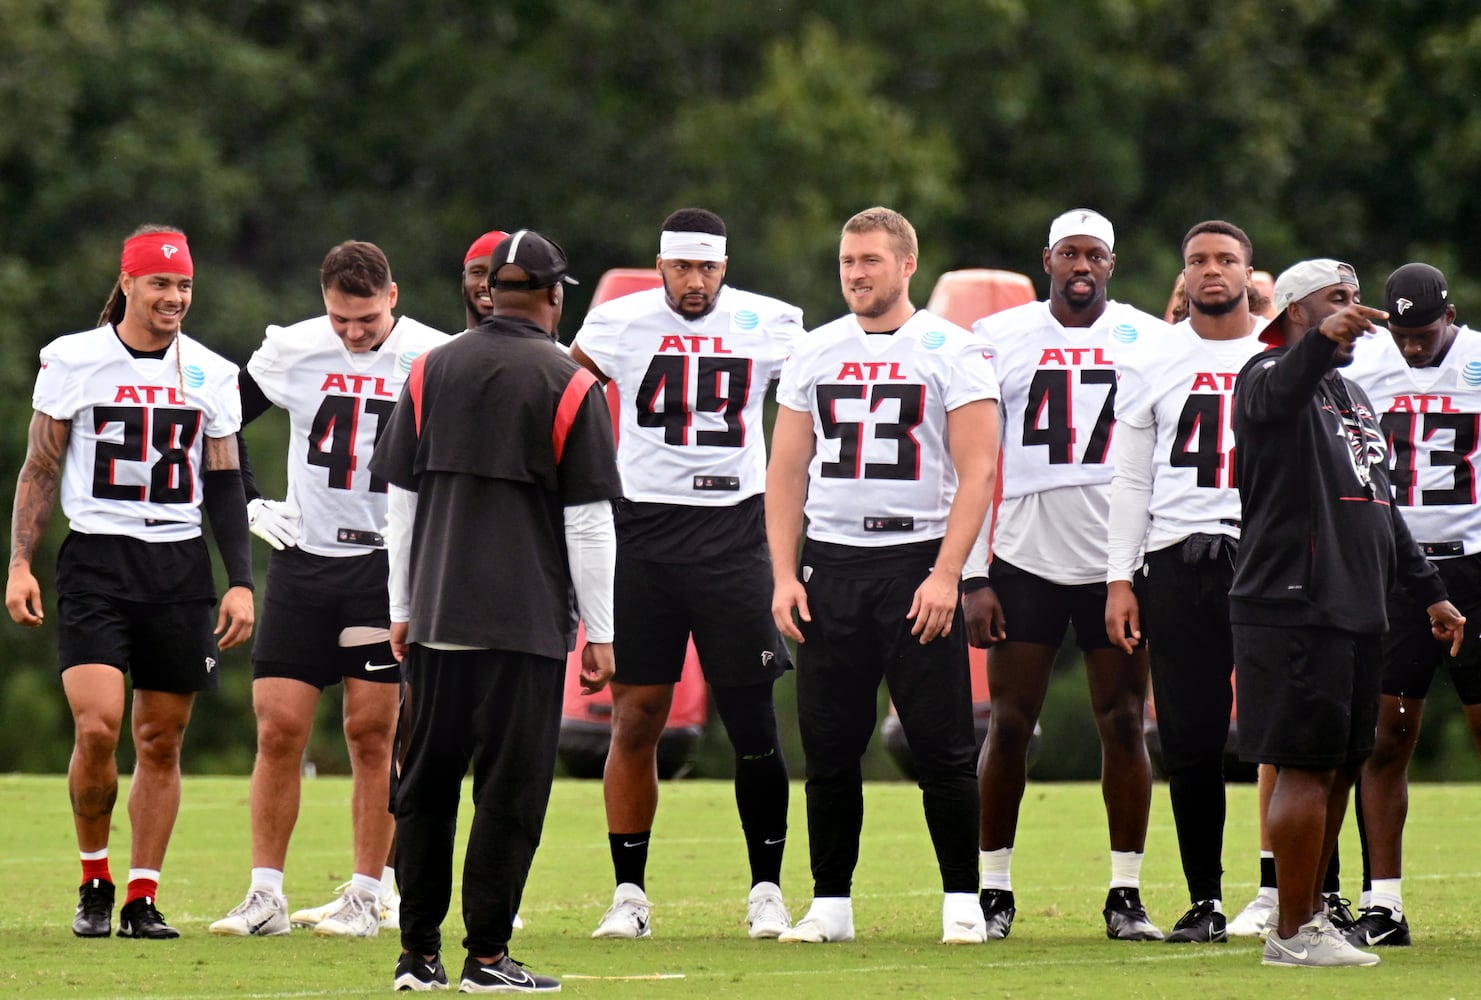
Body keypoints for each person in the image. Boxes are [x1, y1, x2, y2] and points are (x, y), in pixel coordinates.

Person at [369, 230, 623, 991]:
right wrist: (603, 631)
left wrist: (402, 606)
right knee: (507, 796)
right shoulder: (571, 384)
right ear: (554, 295)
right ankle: (486, 956)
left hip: (439, 620)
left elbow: (401, 506)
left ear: (490, 292)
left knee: (425, 789)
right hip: (525, 627)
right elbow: (587, 522)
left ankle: (416, 954)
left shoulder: (428, 370)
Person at [6, 225, 255, 938]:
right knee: (97, 725)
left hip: (177, 564)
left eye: (183, 286)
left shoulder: (210, 372)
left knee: (161, 738)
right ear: (127, 283)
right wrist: (20, 562)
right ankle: (94, 878)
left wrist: (238, 580)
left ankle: (142, 895)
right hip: (97, 560)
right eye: (160, 284)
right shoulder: (74, 360)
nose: (173, 297)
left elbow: (226, 482)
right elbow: (41, 467)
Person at [767, 206, 998, 945]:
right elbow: (785, 470)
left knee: (940, 746)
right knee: (829, 746)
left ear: (906, 265)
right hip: (831, 563)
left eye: (869, 260)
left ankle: (961, 898)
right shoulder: (814, 350)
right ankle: (829, 902)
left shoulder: (950, 348)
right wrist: (783, 574)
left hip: (914, 562)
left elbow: (978, 471)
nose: (855, 273)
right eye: (846, 261)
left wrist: (945, 576)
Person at [569, 208, 801, 941]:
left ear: (724, 266)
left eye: (706, 267)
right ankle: (629, 893)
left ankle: (766, 888)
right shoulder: (616, 321)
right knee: (635, 717)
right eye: (681, 267)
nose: (694, 281)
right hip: (641, 532)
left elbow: (815, 404)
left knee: (753, 722)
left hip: (734, 532)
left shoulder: (773, 324)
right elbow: (562, 394)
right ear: (659, 263)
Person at [1229, 258, 1465, 968]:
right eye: (1336, 301)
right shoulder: (1265, 375)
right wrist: (1317, 341)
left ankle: (1312, 918)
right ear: (1297, 311)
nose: (1354, 311)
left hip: (1356, 607)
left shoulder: (1354, 396)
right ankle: (1290, 932)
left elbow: (1381, 508)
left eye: (1355, 300)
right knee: (1302, 766)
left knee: (1339, 765)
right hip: (1291, 604)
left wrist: (1429, 592)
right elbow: (1278, 391)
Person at [209, 242, 449, 938]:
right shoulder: (294, 348)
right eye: (341, 317)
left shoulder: (433, 358)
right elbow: (218, 420)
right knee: (279, 727)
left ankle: (367, 895)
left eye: (366, 318)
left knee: (372, 733)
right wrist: (251, 504)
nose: (352, 332)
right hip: (304, 560)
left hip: (385, 569)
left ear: (393, 298)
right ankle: (265, 896)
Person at [963, 209, 1163, 941]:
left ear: (1111, 264)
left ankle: (1124, 894)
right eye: (1069, 253)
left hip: (1118, 560)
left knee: (1122, 720)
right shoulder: (996, 338)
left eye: (1095, 255)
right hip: (1023, 556)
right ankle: (992, 891)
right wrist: (971, 575)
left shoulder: (1151, 339)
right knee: (1009, 722)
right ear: (1046, 258)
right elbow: (973, 457)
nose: (1082, 266)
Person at [1105, 220, 1272, 944]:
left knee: (1281, 732)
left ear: (1246, 270)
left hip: (1267, 557)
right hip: (1175, 559)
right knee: (1190, 738)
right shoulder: (1151, 356)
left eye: (1225, 259)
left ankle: (1286, 890)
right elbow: (1131, 475)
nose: (1212, 270)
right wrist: (1119, 577)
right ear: (1183, 272)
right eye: (1198, 260)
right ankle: (1204, 897)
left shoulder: (1281, 347)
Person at [1344, 263, 1481, 948]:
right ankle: (1383, 904)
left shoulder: (1478, 360)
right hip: (1395, 569)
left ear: (1447, 315)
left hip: (1474, 563)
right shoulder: (1366, 363)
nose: (1412, 348)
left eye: (1423, 333)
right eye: (1401, 334)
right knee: (1385, 735)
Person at [461, 230, 509, 331]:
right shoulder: (446, 346)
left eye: (498, 274)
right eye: (477, 272)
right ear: (464, 280)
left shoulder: (540, 346)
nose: (486, 284)